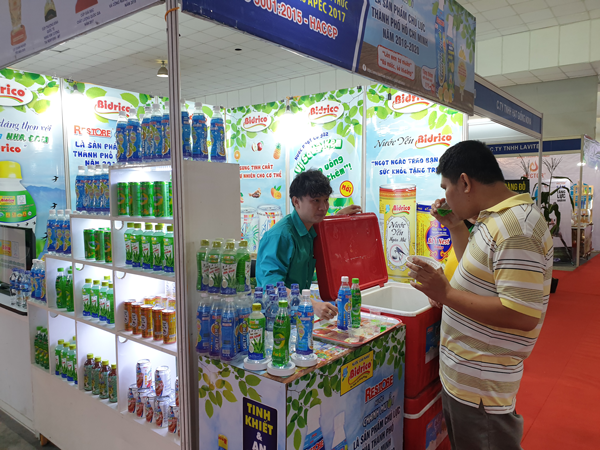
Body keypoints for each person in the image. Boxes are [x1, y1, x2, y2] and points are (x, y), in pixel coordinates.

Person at [406, 141, 553, 450]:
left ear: (465, 182)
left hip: (482, 388)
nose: (444, 196)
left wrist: (446, 293)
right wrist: (456, 227)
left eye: (446, 187)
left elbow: (522, 314)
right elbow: (479, 275)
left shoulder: (516, 229)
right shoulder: (492, 218)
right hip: (467, 380)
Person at [256, 169, 361, 320]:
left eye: (326, 200)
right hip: (275, 319)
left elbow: (322, 226)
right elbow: (271, 287)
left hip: (298, 316)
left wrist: (338, 217)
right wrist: (311, 304)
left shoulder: (310, 228)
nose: (323, 207)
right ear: (296, 202)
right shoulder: (280, 236)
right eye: (316, 201)